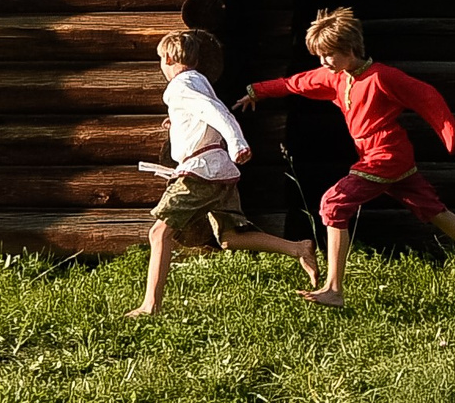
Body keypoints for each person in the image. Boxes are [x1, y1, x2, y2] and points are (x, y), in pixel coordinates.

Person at [235, 6, 455, 308]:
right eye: (320, 56)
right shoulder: (336, 77)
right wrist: (258, 91)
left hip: (386, 154)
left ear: (349, 48)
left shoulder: (382, 77)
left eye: (328, 55)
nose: (323, 62)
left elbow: (426, 96)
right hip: (378, 154)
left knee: (334, 203)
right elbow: (298, 82)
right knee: (430, 207)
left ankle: (334, 288)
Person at [125, 27, 320, 317]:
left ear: (168, 58)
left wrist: (237, 143)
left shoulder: (179, 86)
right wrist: (177, 123)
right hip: (220, 173)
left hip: (201, 174)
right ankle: (298, 248)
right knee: (230, 238)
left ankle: (150, 305)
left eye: (160, 61)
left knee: (159, 232)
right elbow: (202, 116)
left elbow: (217, 113)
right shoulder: (199, 81)